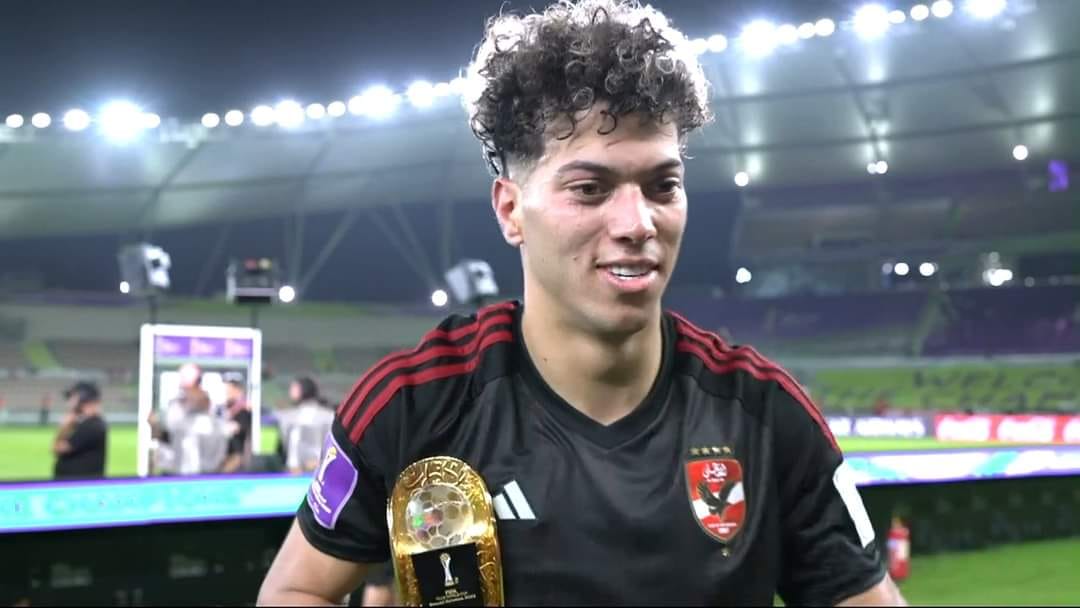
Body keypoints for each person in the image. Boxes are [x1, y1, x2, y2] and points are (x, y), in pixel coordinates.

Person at [259, 1, 905, 605]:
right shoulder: (414, 406)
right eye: (591, 188)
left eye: (663, 185)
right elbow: (295, 590)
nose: (638, 223)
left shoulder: (766, 417)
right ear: (511, 210)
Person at [276, 376, 335, 474]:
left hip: (302, 469)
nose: (290, 391)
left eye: (294, 388)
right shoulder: (329, 415)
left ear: (303, 389)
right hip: (316, 469)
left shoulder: (291, 417)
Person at [53, 381, 108, 480]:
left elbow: (58, 448)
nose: (69, 402)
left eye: (72, 397)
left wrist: (63, 428)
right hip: (74, 483)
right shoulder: (85, 423)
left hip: (79, 484)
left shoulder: (92, 425)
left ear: (83, 398)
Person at [220, 376, 253, 474]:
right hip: (228, 453)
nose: (226, 393)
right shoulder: (228, 408)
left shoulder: (244, 409)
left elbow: (240, 428)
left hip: (237, 455)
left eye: (228, 389)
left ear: (236, 389)